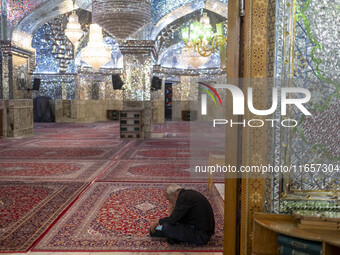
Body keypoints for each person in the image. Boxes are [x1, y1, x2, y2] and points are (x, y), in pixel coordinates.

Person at [149, 184, 215, 245]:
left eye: (169, 199)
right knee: (163, 228)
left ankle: (172, 237)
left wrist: (158, 221)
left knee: (166, 227)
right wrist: (174, 210)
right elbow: (179, 219)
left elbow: (173, 220)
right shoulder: (187, 194)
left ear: (173, 195)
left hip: (201, 236)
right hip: (203, 232)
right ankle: (172, 236)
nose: (169, 202)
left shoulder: (184, 199)